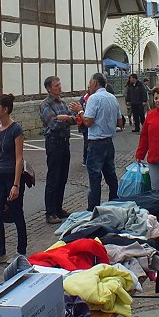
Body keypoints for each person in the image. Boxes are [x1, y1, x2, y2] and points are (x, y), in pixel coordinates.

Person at [0, 93, 27, 266]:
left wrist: (16, 184)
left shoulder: (16, 129)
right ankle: (0, 252)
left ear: (5, 109)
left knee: (16, 213)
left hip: (13, 176)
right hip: (1, 176)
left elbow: (19, 158)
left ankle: (21, 251)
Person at [39, 76, 80, 225]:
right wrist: (67, 119)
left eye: (59, 84)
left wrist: (66, 118)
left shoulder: (63, 103)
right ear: (49, 88)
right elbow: (54, 124)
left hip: (65, 142)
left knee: (63, 177)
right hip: (53, 143)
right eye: (56, 85)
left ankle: (58, 208)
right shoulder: (45, 105)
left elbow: (75, 119)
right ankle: (50, 212)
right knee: (53, 178)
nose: (59, 87)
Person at [82, 72, 120, 209]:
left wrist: (80, 111)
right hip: (109, 142)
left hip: (96, 142)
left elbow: (88, 122)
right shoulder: (112, 98)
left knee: (95, 178)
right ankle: (114, 202)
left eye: (90, 82)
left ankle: (93, 209)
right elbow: (120, 122)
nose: (88, 85)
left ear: (95, 83)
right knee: (111, 175)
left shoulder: (94, 98)